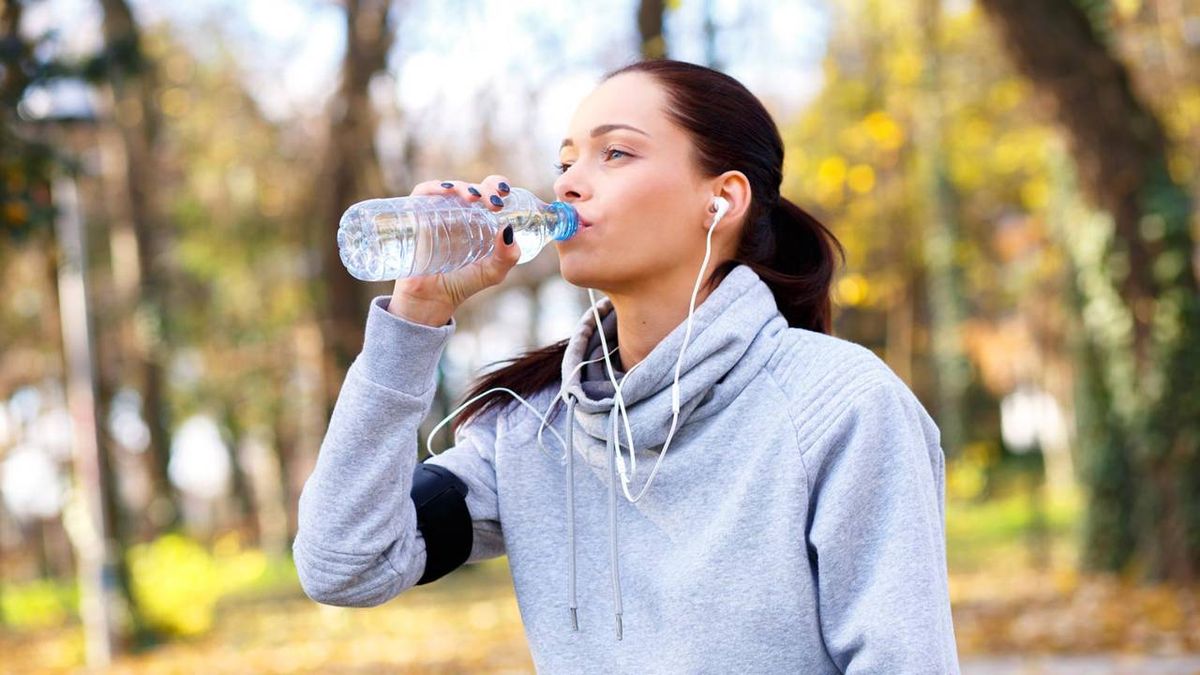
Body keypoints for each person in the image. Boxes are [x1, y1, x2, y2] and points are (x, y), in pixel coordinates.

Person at [294, 59, 960, 673]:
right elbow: (345, 564)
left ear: (722, 199)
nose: (567, 182)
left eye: (614, 152)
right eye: (565, 161)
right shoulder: (533, 429)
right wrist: (415, 314)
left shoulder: (840, 405)